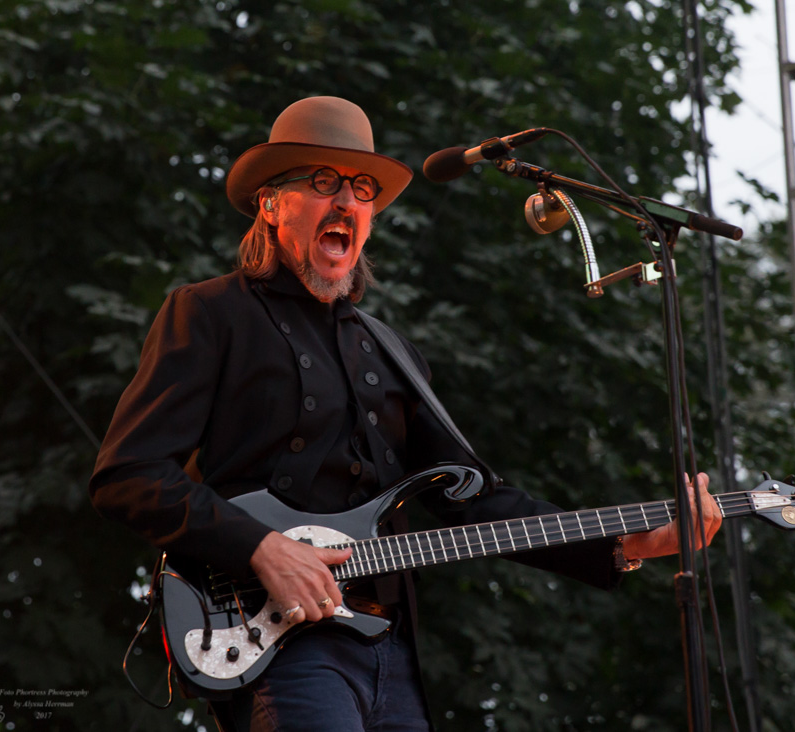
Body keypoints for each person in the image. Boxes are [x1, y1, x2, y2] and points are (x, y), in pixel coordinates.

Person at [89, 95, 723, 732]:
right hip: (278, 644)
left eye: (362, 190)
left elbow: (476, 499)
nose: (347, 203)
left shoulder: (391, 352)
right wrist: (258, 546)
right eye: (322, 183)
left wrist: (632, 542)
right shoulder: (210, 313)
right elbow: (129, 474)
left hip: (390, 650)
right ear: (271, 202)